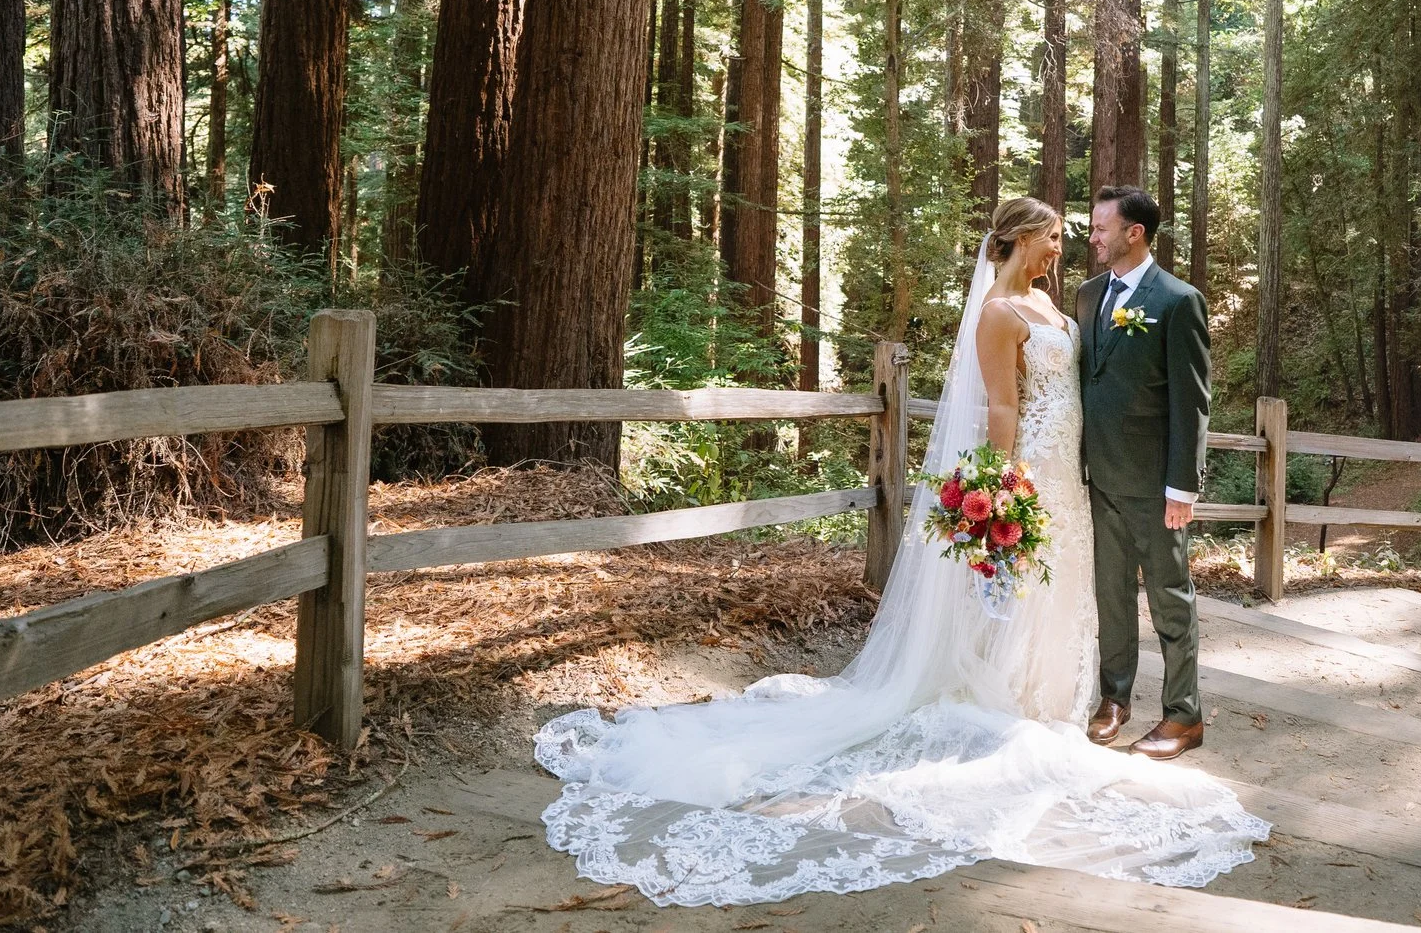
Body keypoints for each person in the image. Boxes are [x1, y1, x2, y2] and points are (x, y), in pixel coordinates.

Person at [532, 197, 1265, 907]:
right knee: (1050, 588)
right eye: (1052, 235)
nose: (1067, 244)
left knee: (1105, 587)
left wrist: (1166, 476)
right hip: (1039, 469)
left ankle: (1141, 704)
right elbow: (1004, 407)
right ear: (1017, 241)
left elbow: (1142, 389)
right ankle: (1044, 697)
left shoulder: (1085, 301)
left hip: (1088, 471)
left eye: (1083, 231)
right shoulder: (1015, 308)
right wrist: (1004, 484)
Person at [1076, 186, 1213, 759]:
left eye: (1102, 227)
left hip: (1157, 487)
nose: (1093, 237)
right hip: (1098, 478)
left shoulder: (1179, 301)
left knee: (1170, 601)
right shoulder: (1087, 297)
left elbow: (1192, 401)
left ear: (1135, 233)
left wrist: (1182, 486)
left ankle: (1184, 717)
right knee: (1110, 596)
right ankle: (1115, 699)